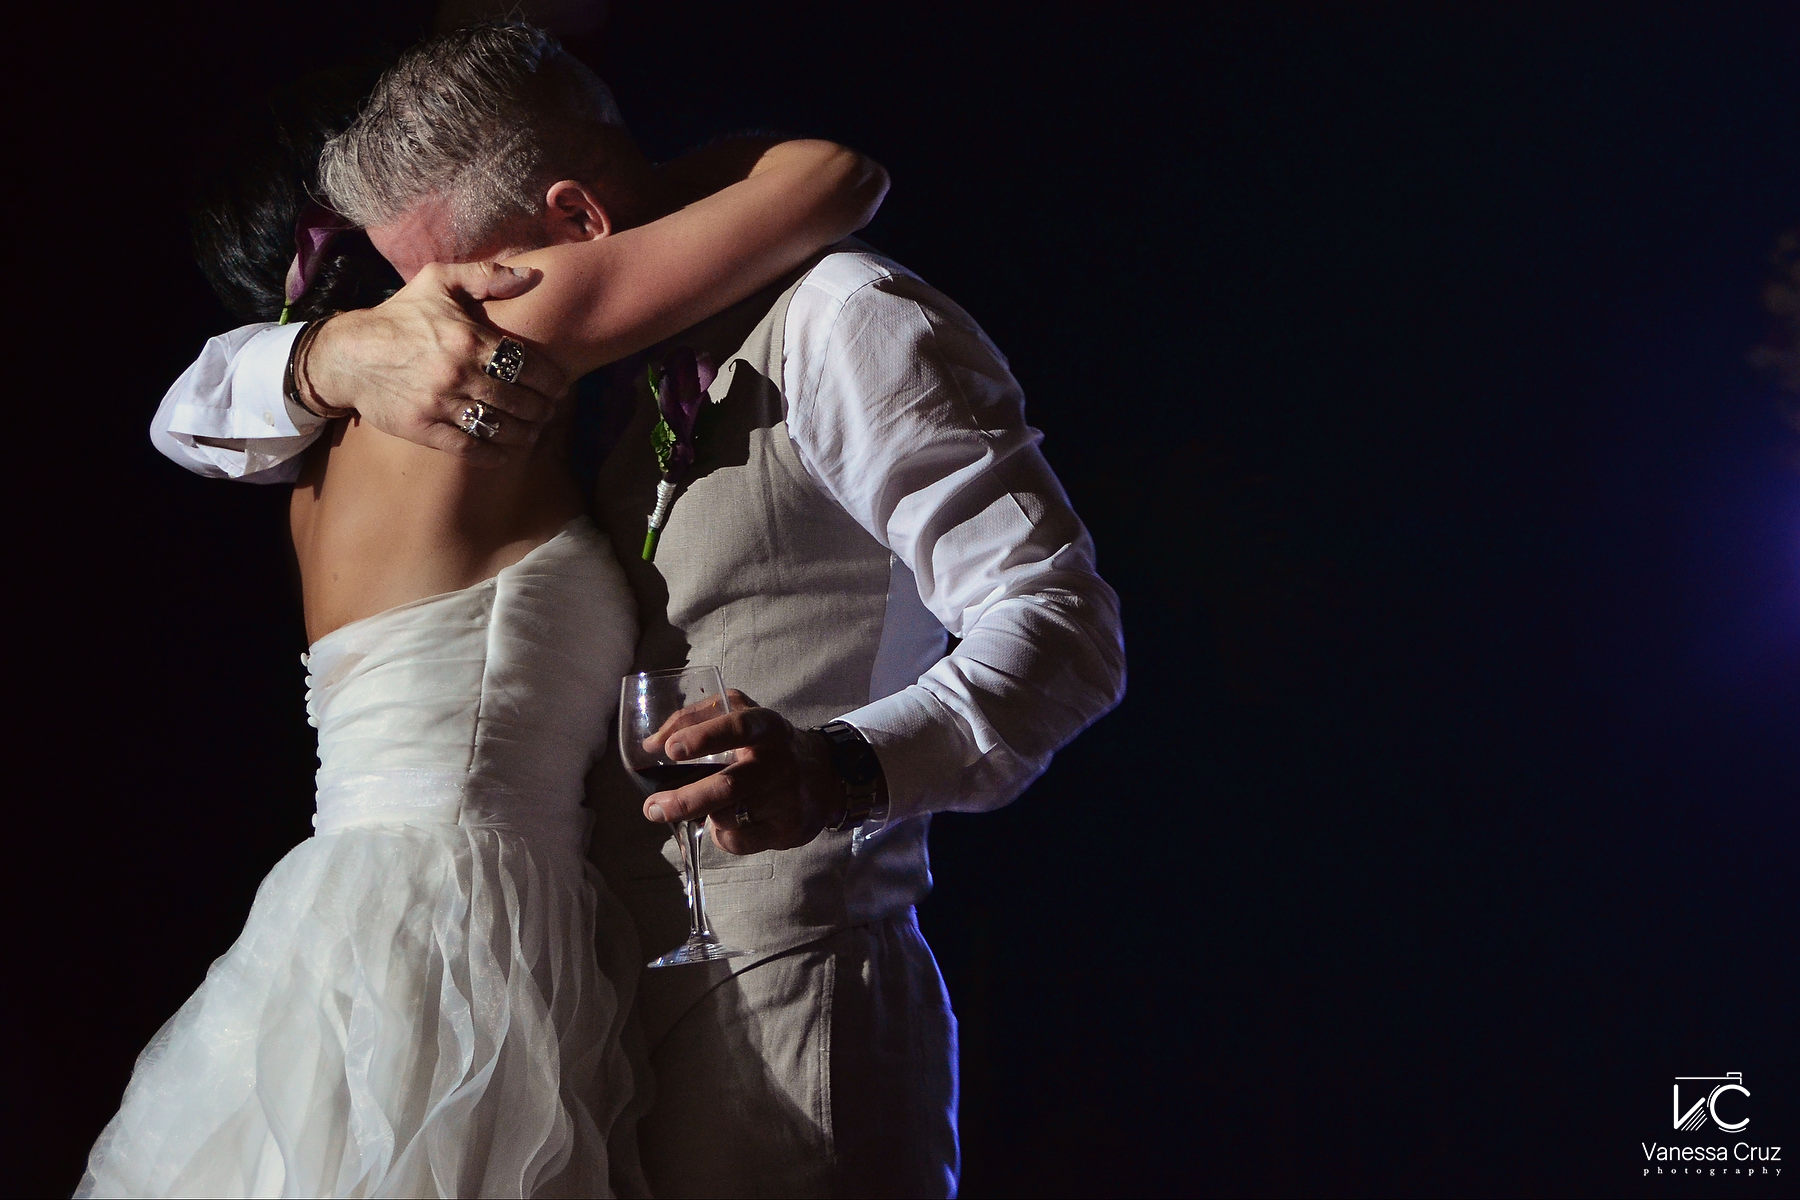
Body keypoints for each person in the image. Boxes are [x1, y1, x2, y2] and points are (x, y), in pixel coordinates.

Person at [152, 20, 1127, 1198]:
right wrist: (334, 355)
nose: (438, 327)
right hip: (593, 1016)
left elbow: (1061, 622)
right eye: (400, 297)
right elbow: (195, 405)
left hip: (796, 995)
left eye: (456, 286)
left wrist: (841, 769)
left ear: (577, 232)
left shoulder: (846, 316)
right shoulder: (536, 399)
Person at [79, 37, 888, 1198]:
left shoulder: (315, 455)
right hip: (466, 924)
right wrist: (608, 162)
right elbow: (829, 178)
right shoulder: (479, 344)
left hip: (354, 917)